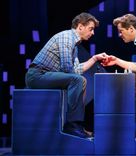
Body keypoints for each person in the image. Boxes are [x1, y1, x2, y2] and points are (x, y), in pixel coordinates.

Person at [25, 12, 108, 140]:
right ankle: (72, 124)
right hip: (37, 76)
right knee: (78, 80)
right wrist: (76, 76)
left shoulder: (74, 44)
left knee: (81, 80)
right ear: (80, 26)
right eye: (90, 29)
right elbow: (67, 69)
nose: (93, 33)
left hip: (48, 74)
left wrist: (94, 59)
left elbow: (75, 69)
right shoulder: (67, 37)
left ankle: (77, 124)